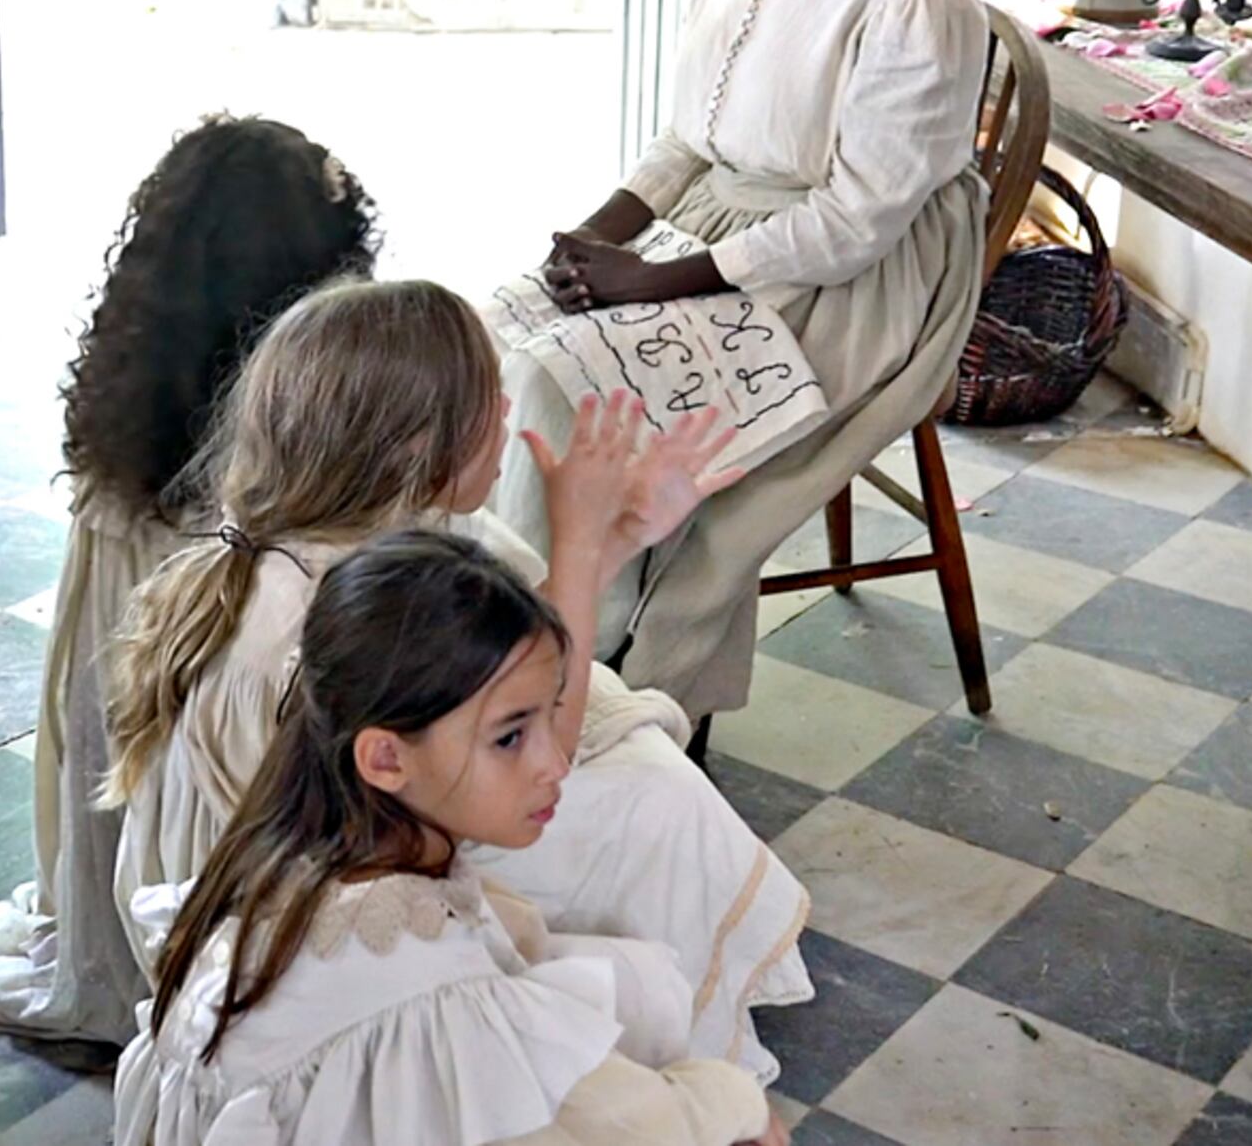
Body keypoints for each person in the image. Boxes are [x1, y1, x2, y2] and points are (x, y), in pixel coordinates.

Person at [105, 279, 810, 1080]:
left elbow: (507, 669)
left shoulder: (371, 534)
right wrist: (578, 546)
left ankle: (659, 1044)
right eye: (491, 404)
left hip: (364, 827)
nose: (509, 418)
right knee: (658, 813)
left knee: (654, 789)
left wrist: (613, 540)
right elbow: (526, 743)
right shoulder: (326, 606)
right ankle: (657, 1068)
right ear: (418, 445)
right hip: (313, 909)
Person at [517, 0, 988, 721]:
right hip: (730, 227)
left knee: (574, 392)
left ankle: (618, 699)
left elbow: (862, 216)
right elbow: (689, 137)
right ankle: (513, 674)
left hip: (861, 276)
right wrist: (597, 235)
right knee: (497, 349)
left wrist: (656, 281)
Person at [0, 116, 379, 1045]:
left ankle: (116, 942)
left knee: (120, 790)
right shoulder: (303, 402)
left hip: (128, 674)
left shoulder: (135, 387)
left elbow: (92, 629)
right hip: (229, 689)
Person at [115, 530, 787, 1146]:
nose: (555, 763)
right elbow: (610, 1120)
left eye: (550, 715)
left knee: (621, 985)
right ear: (385, 759)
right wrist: (735, 1106)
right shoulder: (421, 989)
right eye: (509, 737)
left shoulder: (304, 856)